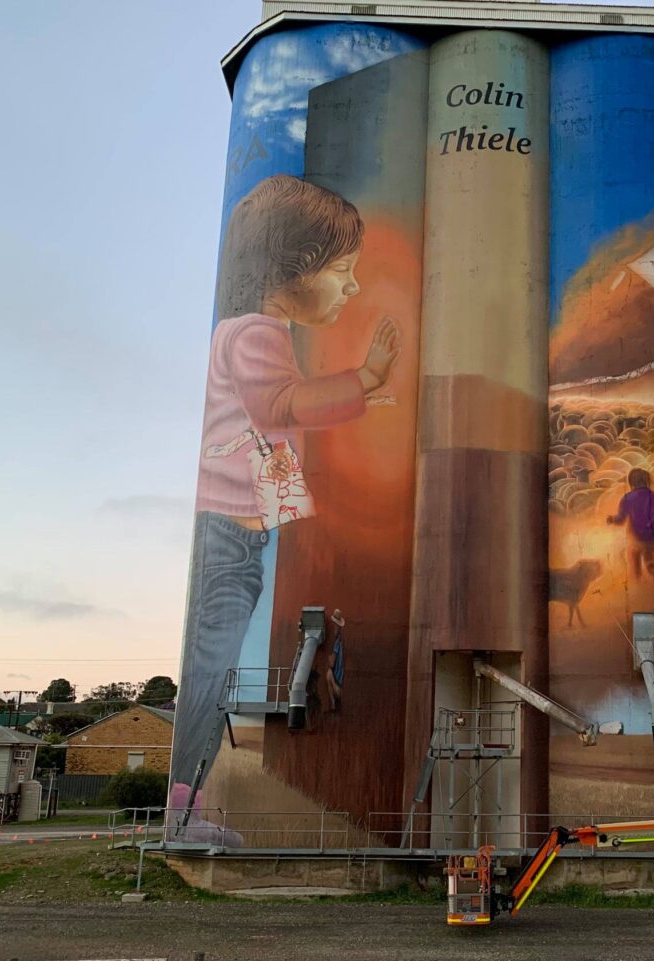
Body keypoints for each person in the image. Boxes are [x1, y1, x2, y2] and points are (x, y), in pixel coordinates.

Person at [170, 175, 400, 823]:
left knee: (213, 667)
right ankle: (188, 805)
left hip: (241, 537)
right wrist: (364, 378)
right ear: (291, 267)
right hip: (229, 538)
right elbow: (279, 404)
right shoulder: (256, 333)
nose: (352, 286)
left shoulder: (248, 332)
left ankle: (187, 803)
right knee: (212, 672)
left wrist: (353, 403)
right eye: (343, 270)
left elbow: (274, 420)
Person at [606, 468, 654, 589]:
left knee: (634, 559)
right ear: (646, 481)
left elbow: (621, 519)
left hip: (635, 536)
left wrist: (611, 519)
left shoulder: (627, 498)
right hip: (652, 537)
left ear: (631, 482)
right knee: (650, 559)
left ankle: (639, 585)